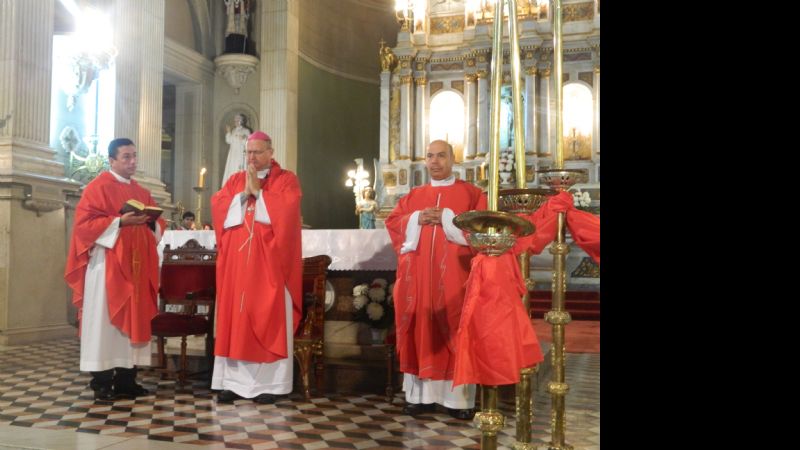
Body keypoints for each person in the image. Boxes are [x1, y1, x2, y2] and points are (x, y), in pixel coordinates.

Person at [385, 139, 486, 420]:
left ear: (453, 159)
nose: (435, 161)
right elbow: (394, 222)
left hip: (456, 278)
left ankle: (458, 401)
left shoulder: (472, 194)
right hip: (417, 280)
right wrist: (416, 217)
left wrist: (448, 218)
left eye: (441, 156)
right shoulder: (414, 196)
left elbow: (481, 230)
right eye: (430, 156)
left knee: (455, 329)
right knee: (419, 329)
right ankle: (419, 398)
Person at [64, 138, 166, 401]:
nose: (133, 162)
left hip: (137, 268)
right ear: (112, 161)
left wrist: (151, 222)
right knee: (105, 323)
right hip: (108, 266)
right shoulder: (97, 188)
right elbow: (84, 226)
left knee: (133, 321)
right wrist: (120, 221)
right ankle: (101, 382)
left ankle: (126, 379)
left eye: (134, 156)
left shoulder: (141, 192)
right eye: (126, 157)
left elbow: (159, 224)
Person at [210, 131, 303, 404]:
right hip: (238, 268)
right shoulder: (236, 180)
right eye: (249, 153)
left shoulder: (286, 179)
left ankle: (270, 385)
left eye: (258, 152)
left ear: (271, 152)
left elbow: (288, 210)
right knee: (235, 318)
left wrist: (259, 194)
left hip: (270, 266)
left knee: (267, 317)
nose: (252, 158)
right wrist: (242, 195)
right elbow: (218, 205)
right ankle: (233, 383)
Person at [222, 113, 252, 187]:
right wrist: (229, 132)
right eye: (235, 120)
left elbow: (249, 143)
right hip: (233, 154)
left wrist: (243, 139)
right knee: (232, 170)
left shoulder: (246, 131)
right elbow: (229, 141)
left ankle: (240, 185)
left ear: (241, 121)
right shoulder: (234, 131)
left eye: (237, 120)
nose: (235, 121)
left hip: (241, 154)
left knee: (240, 170)